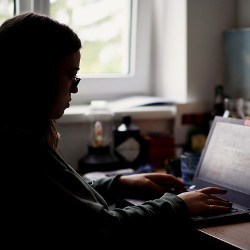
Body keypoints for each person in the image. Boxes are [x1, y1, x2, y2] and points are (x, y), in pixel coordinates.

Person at [0, 12, 231, 248]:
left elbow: (64, 202)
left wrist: (118, 183)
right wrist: (178, 204)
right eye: (71, 76)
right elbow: (105, 227)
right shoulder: (21, 149)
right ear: (36, 76)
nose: (75, 89)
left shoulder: (21, 136)